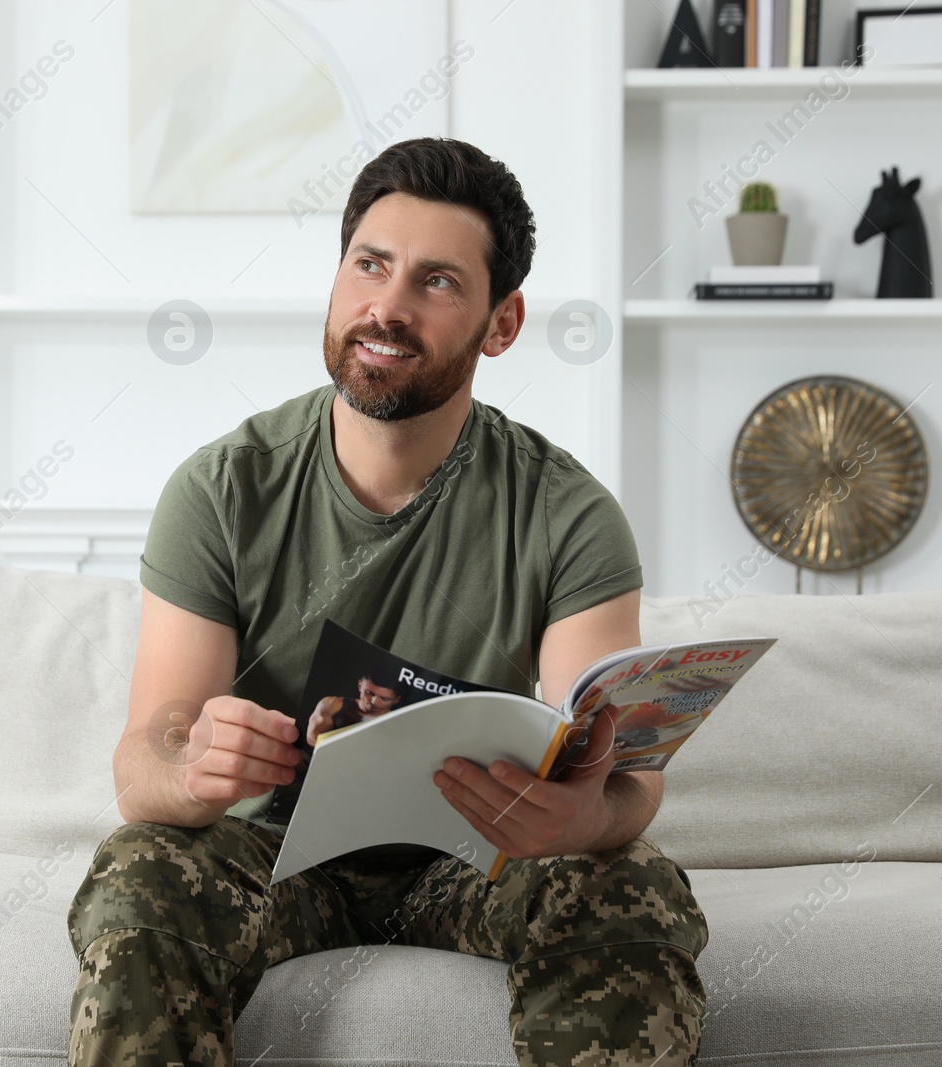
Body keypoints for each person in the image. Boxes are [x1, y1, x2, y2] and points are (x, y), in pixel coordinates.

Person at [65, 136, 709, 1067]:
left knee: (631, 887)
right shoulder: (220, 489)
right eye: (370, 265)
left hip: (474, 861)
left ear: (502, 323)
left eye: (438, 282)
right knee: (139, 871)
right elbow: (146, 758)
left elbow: (621, 772)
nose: (387, 307)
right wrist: (194, 762)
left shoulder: (568, 512)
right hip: (270, 857)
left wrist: (582, 819)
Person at [305, 671, 404, 746]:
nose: (374, 702)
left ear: (396, 700)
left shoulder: (399, 725)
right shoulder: (334, 705)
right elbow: (313, 737)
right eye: (369, 693)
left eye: (384, 698)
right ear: (360, 686)